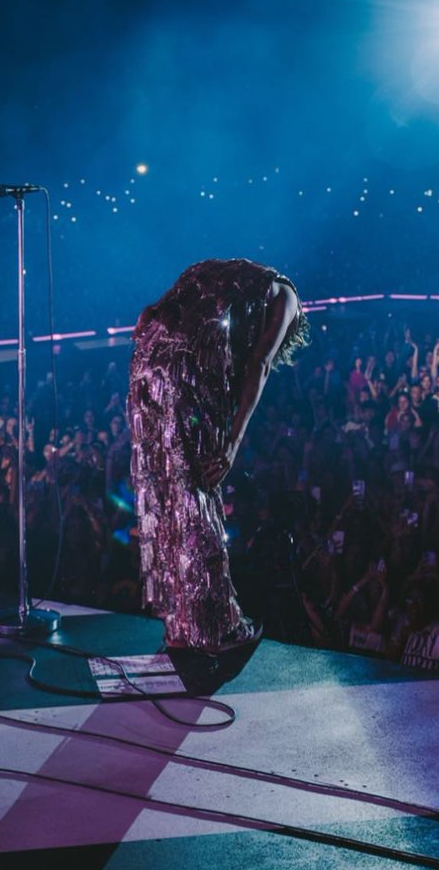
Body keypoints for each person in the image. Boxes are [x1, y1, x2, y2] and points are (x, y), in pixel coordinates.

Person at [127, 258, 308, 653]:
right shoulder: (288, 297)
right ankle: (216, 625)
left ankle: (179, 622)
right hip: (187, 369)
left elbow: (146, 314)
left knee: (166, 495)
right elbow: (258, 364)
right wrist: (231, 443)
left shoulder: (224, 275)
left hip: (145, 360)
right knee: (199, 488)